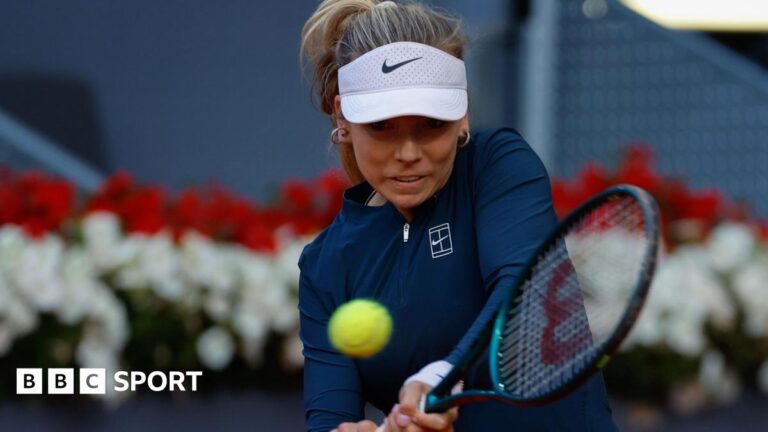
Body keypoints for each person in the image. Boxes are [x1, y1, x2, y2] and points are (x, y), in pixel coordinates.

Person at [297, 1, 618, 431]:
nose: (408, 153)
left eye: (431, 124)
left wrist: (440, 377)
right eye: (381, 126)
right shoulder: (325, 266)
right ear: (343, 118)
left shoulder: (498, 165)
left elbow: (523, 293)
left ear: (462, 114)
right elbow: (329, 420)